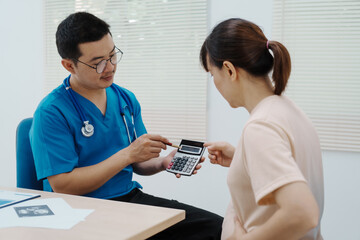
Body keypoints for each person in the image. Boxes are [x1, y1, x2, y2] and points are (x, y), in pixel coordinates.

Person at [29, 12, 222, 239]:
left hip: (127, 201)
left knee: (219, 228)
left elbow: (139, 162)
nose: (109, 67)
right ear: (69, 65)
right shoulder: (52, 112)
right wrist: (128, 155)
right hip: (76, 212)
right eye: (97, 63)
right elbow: (64, 185)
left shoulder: (124, 99)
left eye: (112, 56)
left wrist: (162, 162)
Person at [200, 18, 324, 240]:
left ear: (228, 70)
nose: (214, 83)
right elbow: (295, 168)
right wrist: (242, 158)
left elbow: (303, 213)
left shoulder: (260, 128)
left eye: (212, 74)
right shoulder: (287, 109)